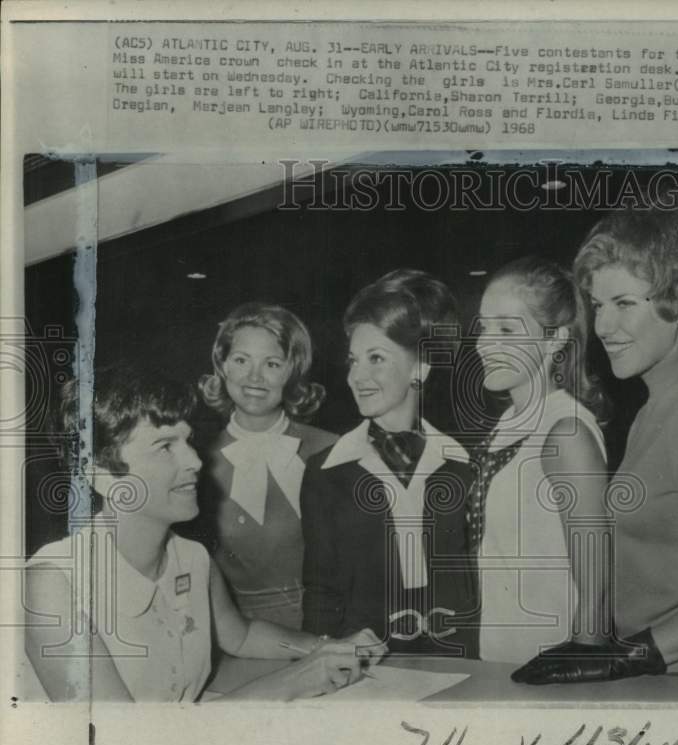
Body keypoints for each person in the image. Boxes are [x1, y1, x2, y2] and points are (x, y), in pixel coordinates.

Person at [512, 209, 678, 684]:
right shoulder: (662, 398)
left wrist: (624, 657)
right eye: (598, 305)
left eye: (625, 303)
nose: (604, 326)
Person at [24, 364, 383, 702]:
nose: (195, 461)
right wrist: (296, 680)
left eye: (188, 441)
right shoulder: (53, 585)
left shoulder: (192, 558)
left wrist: (325, 648)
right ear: (101, 475)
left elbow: (241, 636)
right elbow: (122, 740)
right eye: (165, 446)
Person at [301, 270, 479, 658]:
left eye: (376, 359)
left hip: (459, 660)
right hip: (366, 666)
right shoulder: (324, 472)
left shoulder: (466, 465)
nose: (356, 376)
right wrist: (322, 662)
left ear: (420, 368)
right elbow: (321, 591)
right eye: (353, 360)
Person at [470, 256, 610, 665]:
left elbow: (597, 591)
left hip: (548, 662)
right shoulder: (507, 424)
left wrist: (577, 672)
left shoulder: (566, 432)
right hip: (497, 658)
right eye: (484, 327)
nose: (484, 344)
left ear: (554, 340)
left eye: (506, 330)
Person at [197, 303, 338, 629]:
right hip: (238, 635)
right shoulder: (196, 461)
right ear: (222, 365)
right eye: (241, 360)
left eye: (272, 364)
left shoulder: (333, 449)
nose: (254, 377)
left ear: (293, 371)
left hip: (331, 625)